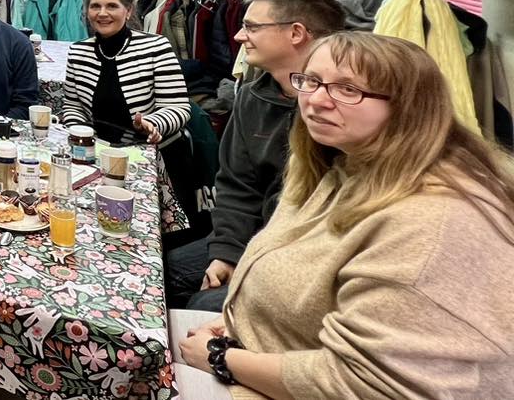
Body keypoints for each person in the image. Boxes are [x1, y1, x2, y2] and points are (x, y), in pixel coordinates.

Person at [177, 32, 514, 399]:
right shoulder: (339, 164)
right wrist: (238, 321)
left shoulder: (433, 223)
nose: (316, 101)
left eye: (348, 89)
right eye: (311, 81)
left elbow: (370, 384)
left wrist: (221, 358)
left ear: (408, 106)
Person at [165, 0, 344, 311]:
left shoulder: (341, 109)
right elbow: (237, 185)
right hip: (254, 234)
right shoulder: (251, 96)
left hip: (312, 254)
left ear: (296, 33)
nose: (237, 36)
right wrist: (227, 253)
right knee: (167, 271)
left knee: (204, 304)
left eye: (251, 27)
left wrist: (254, 262)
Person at [60, 0, 205, 238]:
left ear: (128, 11)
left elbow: (178, 107)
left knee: (147, 238)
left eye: (112, 6)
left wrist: (153, 124)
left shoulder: (155, 47)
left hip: (154, 160)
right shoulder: (78, 52)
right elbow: (72, 104)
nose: (102, 13)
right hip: (98, 158)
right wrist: (81, 133)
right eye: (95, 6)